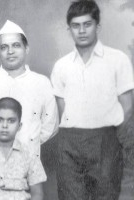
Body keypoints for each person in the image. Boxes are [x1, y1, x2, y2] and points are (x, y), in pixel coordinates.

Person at [51, 0, 134, 200]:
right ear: (68, 28)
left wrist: (111, 137)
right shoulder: (61, 66)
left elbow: (127, 106)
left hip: (106, 141)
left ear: (98, 26)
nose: (81, 31)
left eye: (87, 24)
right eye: (75, 26)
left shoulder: (118, 59)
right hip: (69, 143)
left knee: (106, 196)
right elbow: (62, 108)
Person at [0, 20, 58, 156]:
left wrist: (31, 141)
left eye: (16, 45)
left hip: (28, 162)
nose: (10, 51)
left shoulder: (41, 83)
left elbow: (50, 125)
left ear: (26, 48)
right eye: (4, 47)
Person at [0, 97, 47, 200]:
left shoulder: (29, 154)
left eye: (11, 121)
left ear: (19, 126)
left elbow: (38, 193)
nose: (4, 125)